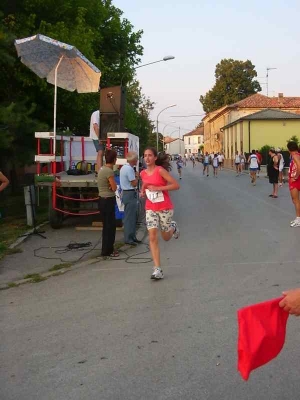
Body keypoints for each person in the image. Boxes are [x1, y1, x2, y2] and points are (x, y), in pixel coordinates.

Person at [140, 147, 180, 280]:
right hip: (150, 207)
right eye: (145, 155)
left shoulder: (160, 171)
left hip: (164, 207)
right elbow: (145, 185)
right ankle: (157, 269)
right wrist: (142, 192)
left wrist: (159, 188)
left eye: (150, 155)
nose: (147, 158)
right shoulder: (142, 173)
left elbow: (175, 185)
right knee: (152, 236)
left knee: (166, 237)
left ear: (155, 158)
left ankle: (173, 228)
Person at [97, 150, 119, 258]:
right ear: (114, 159)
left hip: (101, 199)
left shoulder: (101, 169)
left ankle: (105, 250)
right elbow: (114, 187)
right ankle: (108, 250)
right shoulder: (109, 171)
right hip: (108, 200)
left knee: (106, 226)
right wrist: (112, 186)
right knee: (111, 226)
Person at [120, 151, 141, 245]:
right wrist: (137, 176)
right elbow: (134, 183)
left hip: (127, 193)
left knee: (132, 217)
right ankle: (129, 238)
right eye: (136, 159)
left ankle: (132, 236)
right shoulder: (129, 169)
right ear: (133, 160)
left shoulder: (124, 167)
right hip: (129, 193)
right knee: (130, 217)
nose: (137, 161)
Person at [287, 141, 300, 227]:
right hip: (296, 180)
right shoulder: (297, 155)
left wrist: (295, 176)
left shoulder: (295, 156)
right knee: (295, 200)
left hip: (295, 180)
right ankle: (298, 218)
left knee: (295, 200)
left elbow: (299, 166)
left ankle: (298, 219)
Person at [90, 110, 104, 176]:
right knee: (100, 152)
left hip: (102, 136)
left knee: (101, 152)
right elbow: (95, 126)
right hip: (96, 136)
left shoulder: (103, 114)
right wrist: (99, 138)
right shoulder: (96, 114)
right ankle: (99, 171)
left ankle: (101, 170)